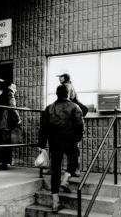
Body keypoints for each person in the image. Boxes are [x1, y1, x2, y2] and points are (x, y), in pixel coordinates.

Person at [38, 84, 84, 213]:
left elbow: (43, 129)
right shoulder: (74, 107)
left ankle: (55, 202)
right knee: (74, 161)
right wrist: (77, 138)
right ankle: (65, 180)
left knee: (55, 169)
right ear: (68, 94)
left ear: (57, 94)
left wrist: (42, 146)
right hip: (70, 140)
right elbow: (80, 125)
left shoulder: (49, 108)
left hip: (54, 142)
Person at [0, 82, 21, 171]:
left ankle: (3, 163)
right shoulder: (10, 94)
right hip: (6, 123)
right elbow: (13, 107)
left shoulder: (2, 95)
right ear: (10, 87)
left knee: (4, 142)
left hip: (1, 122)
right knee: (4, 143)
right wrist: (18, 118)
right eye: (15, 88)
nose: (16, 90)